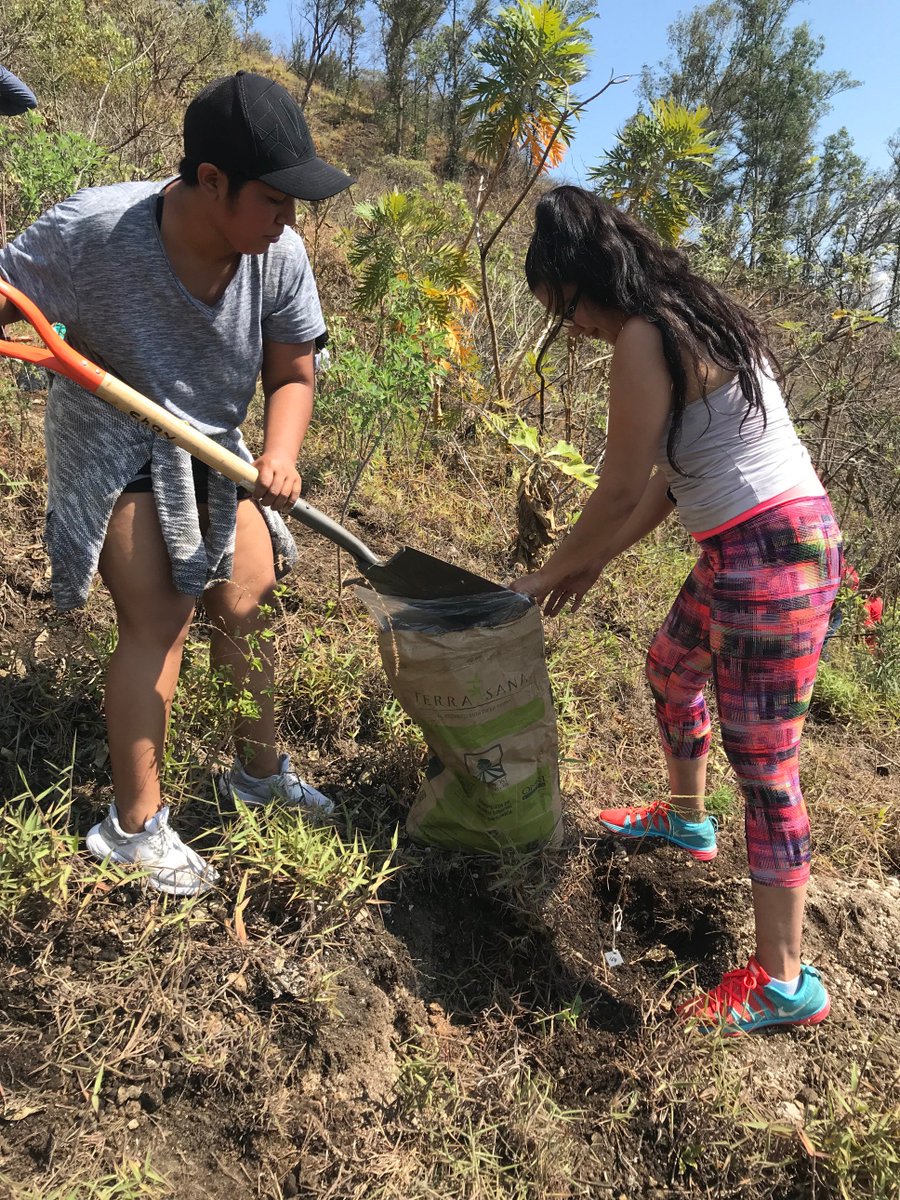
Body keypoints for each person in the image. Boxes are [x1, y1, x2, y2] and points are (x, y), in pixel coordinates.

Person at [0, 71, 354, 895]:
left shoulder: (279, 255)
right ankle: (133, 827)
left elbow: (293, 371)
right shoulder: (93, 232)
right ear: (209, 182)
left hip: (217, 446)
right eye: (275, 200)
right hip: (113, 438)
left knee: (248, 597)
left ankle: (259, 777)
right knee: (161, 611)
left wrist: (281, 452)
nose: (290, 221)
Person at [511, 187, 842, 1035]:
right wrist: (594, 560)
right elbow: (666, 481)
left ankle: (783, 981)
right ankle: (689, 823)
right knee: (669, 665)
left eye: (567, 311)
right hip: (756, 545)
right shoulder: (690, 316)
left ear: (587, 282)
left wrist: (544, 575)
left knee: (766, 768)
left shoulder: (642, 336)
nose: (573, 331)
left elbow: (618, 485)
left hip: (768, 557)